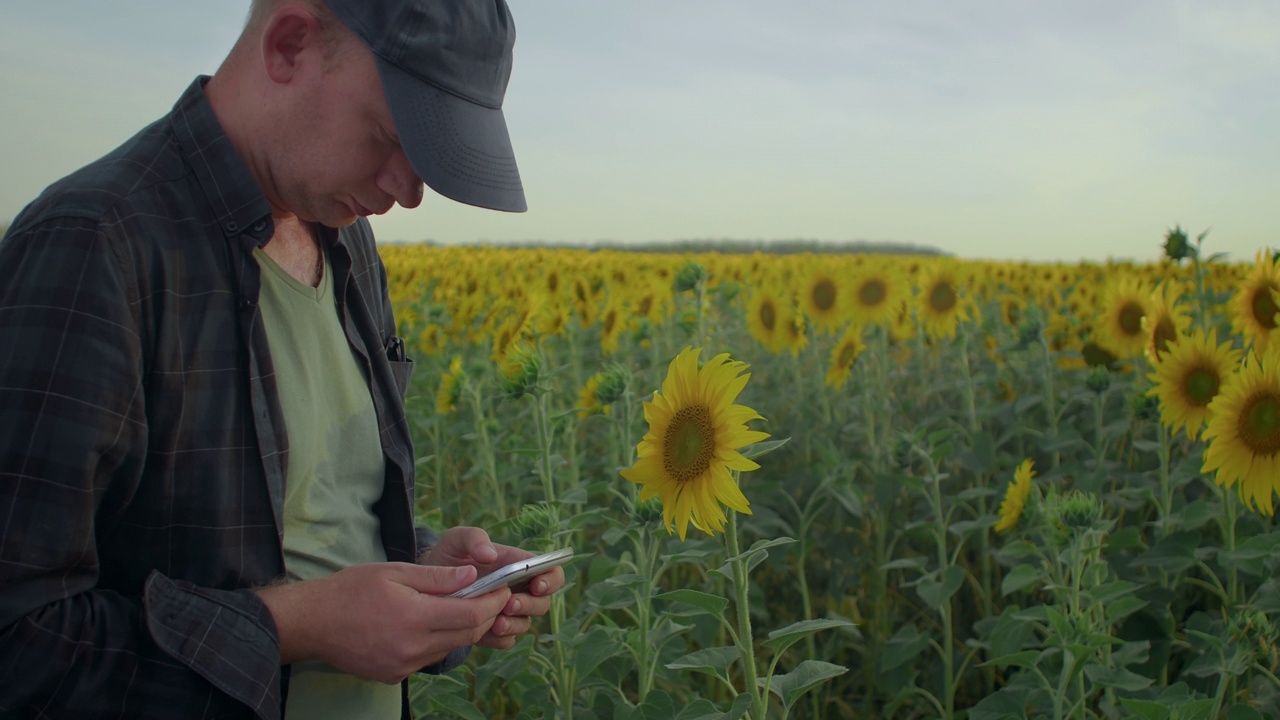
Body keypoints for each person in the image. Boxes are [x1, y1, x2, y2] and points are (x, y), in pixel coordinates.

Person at [0, 0, 563, 718]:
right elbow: (20, 638)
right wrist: (294, 628)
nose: (410, 190)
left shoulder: (346, 239)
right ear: (291, 44)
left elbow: (304, 528)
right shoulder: (94, 245)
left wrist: (431, 577)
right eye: (392, 137)